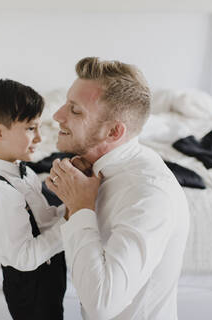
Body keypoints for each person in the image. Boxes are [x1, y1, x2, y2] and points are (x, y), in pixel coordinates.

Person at [46, 57, 190, 320]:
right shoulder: (92, 171)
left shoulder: (149, 194)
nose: (57, 116)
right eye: (66, 104)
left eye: (75, 110)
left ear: (113, 132)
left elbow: (102, 304)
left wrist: (80, 208)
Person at [0, 79, 66, 320]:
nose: (40, 138)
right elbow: (24, 258)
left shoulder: (24, 170)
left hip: (49, 277)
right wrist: (71, 224)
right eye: (31, 128)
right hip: (30, 289)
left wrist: (71, 207)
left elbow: (43, 221)